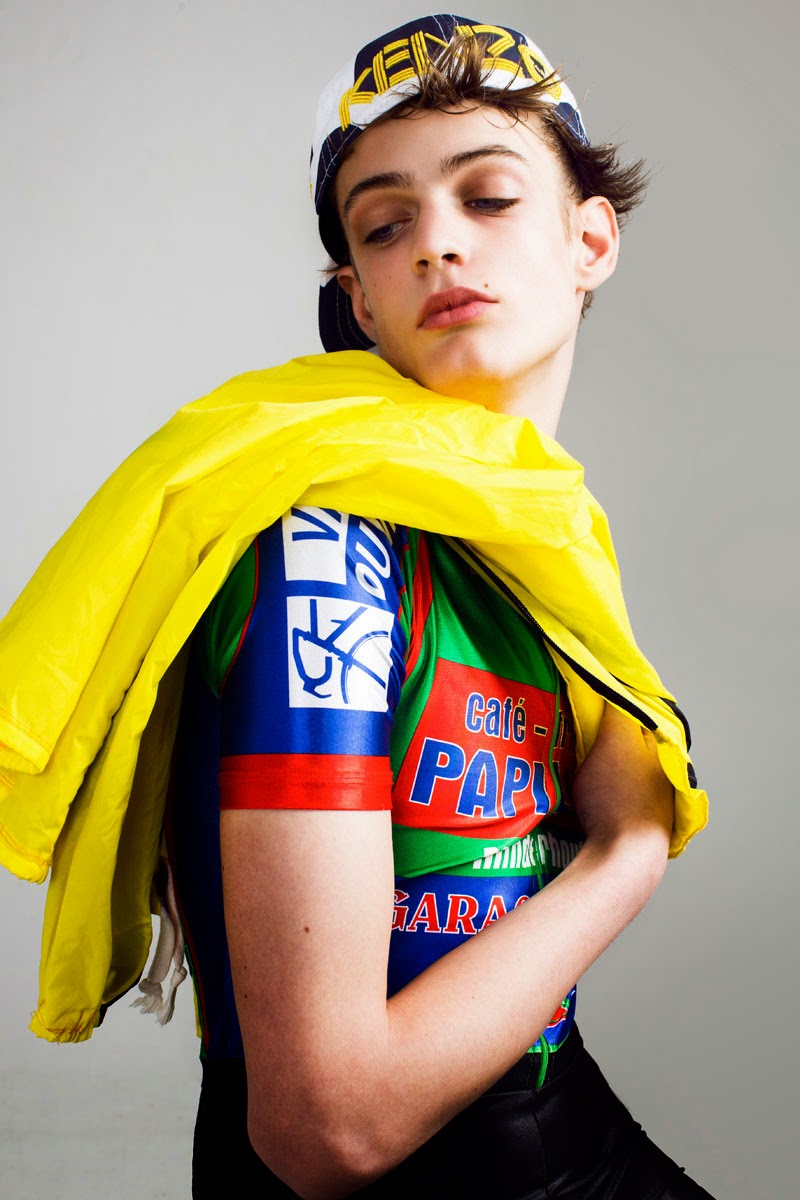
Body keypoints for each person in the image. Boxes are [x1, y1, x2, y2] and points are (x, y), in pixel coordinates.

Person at [163, 13, 714, 1200]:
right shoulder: (327, 549)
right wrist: (627, 851)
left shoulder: (539, 538)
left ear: (589, 239)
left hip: (559, 1127)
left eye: (489, 197)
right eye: (384, 225)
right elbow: (327, 1131)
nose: (437, 244)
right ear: (358, 302)